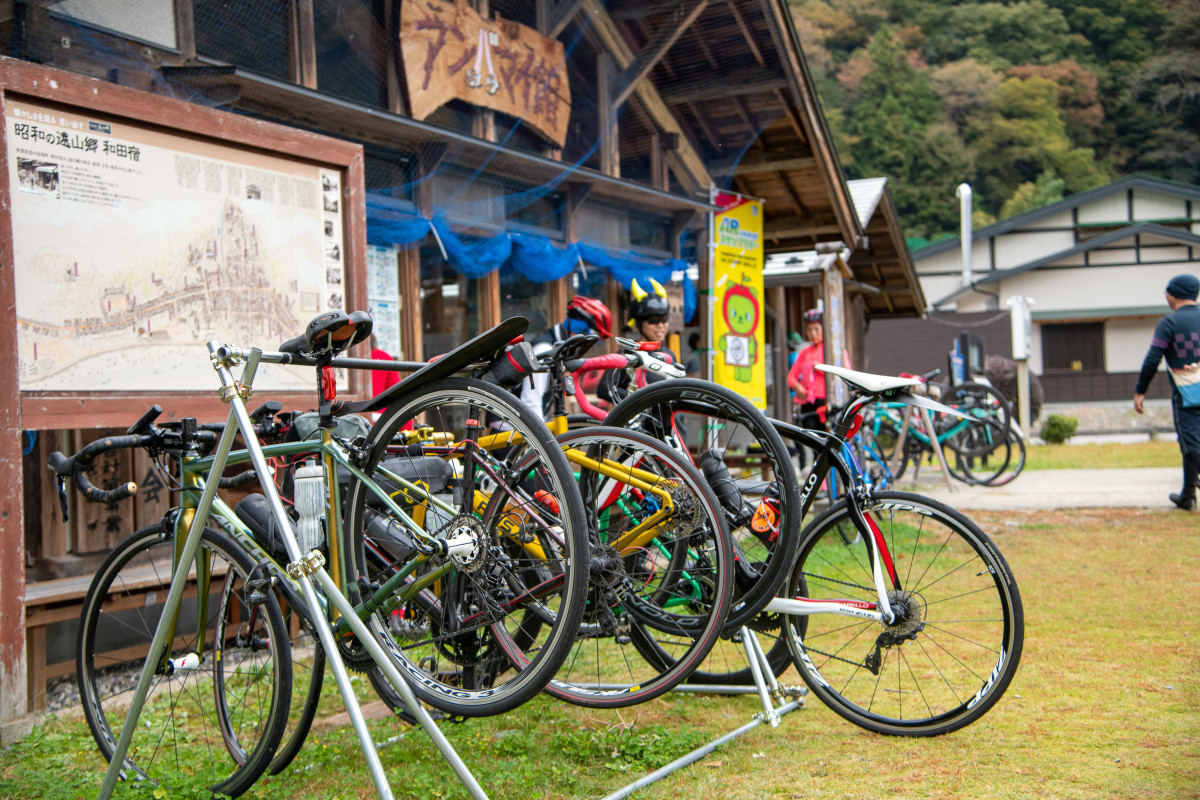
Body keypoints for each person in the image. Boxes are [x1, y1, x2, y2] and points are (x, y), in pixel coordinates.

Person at [1134, 273, 1200, 511]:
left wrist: (1140, 390)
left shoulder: (1170, 323)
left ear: (1173, 294)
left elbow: (1153, 358)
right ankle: (1187, 495)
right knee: (1191, 445)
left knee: (1191, 445)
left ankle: (1188, 494)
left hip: (1188, 394)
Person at [517, 294, 613, 419]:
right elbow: (530, 400)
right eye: (589, 335)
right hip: (510, 429)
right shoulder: (545, 348)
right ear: (579, 328)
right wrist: (541, 437)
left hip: (526, 423)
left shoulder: (557, 349)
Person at [598, 278, 679, 405]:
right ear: (640, 324)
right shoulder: (628, 353)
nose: (660, 325)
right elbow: (603, 388)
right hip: (644, 423)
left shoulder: (669, 354)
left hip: (672, 423)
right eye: (653, 321)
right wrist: (642, 401)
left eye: (664, 320)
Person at [787, 308, 850, 428]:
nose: (813, 333)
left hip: (828, 401)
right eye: (809, 329)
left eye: (816, 329)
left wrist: (820, 368)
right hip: (808, 402)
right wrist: (798, 387)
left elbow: (845, 372)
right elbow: (791, 377)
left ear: (824, 329)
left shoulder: (834, 350)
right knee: (810, 436)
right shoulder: (804, 352)